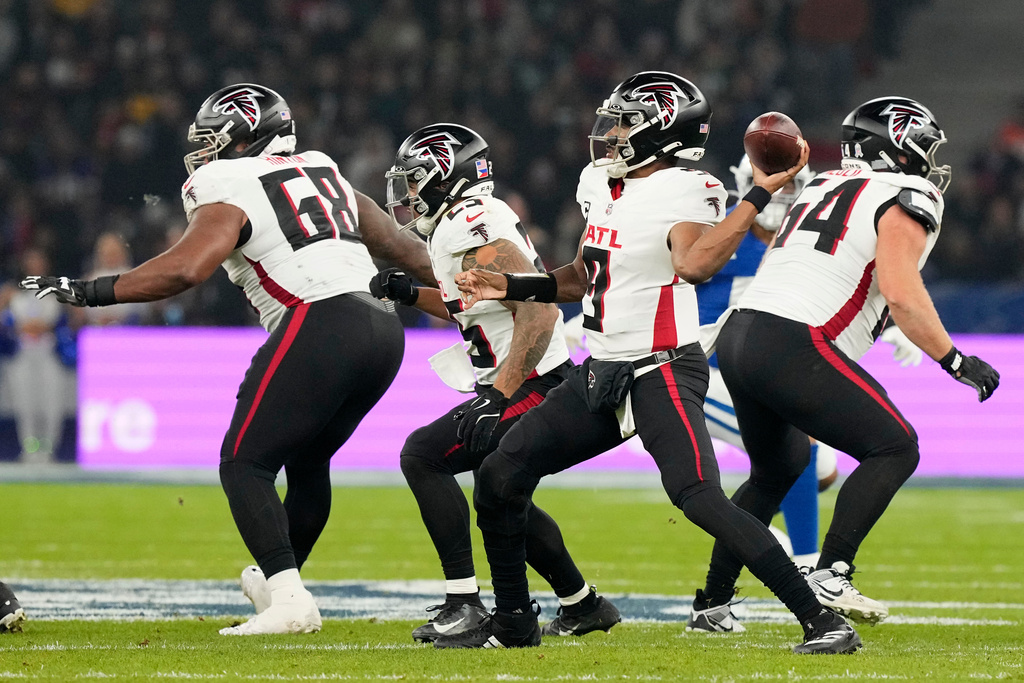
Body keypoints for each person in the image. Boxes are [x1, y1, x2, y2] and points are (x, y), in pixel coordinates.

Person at [449, 71, 861, 654]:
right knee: (497, 478)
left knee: (699, 498)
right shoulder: (600, 182)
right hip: (603, 369)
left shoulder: (687, 188)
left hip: (662, 368)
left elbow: (693, 266)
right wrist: (511, 284)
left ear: (663, 133)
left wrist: (759, 196)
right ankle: (517, 620)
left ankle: (822, 621)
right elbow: (586, 275)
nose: (610, 133)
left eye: (626, 123)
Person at [20, 83, 435, 636]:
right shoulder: (323, 168)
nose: (203, 152)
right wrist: (486, 291)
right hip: (385, 329)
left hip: (320, 319)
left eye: (215, 139)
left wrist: (91, 291)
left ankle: (289, 598)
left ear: (247, 138)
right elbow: (409, 252)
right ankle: (277, 584)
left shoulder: (227, 180)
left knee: (244, 462)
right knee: (308, 463)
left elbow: (186, 269)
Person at [690, 96, 999, 628]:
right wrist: (954, 360)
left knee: (778, 469)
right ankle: (832, 572)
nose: (928, 160)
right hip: (793, 338)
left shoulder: (824, 183)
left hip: (741, 335)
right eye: (922, 146)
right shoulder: (908, 195)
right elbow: (900, 292)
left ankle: (712, 602)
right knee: (895, 446)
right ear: (896, 147)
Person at [372, 123, 620, 643]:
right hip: (530, 375)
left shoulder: (469, 224)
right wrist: (412, 293)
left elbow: (539, 312)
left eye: (417, 179)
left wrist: (499, 394)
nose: (410, 193)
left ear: (447, 175)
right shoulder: (463, 222)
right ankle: (582, 604)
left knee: (423, 455)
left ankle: (463, 601)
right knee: (503, 490)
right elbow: (481, 303)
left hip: (532, 380)